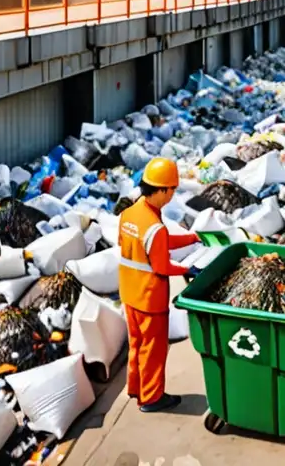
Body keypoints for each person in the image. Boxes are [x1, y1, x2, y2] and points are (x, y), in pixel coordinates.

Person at [118, 158, 200, 413]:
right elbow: (162, 266)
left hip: (130, 293)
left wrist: (192, 238)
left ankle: (136, 387)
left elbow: (149, 244)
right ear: (162, 190)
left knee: (137, 344)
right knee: (153, 350)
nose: (173, 195)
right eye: (172, 190)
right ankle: (152, 398)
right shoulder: (154, 226)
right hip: (150, 298)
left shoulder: (130, 214)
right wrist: (189, 269)